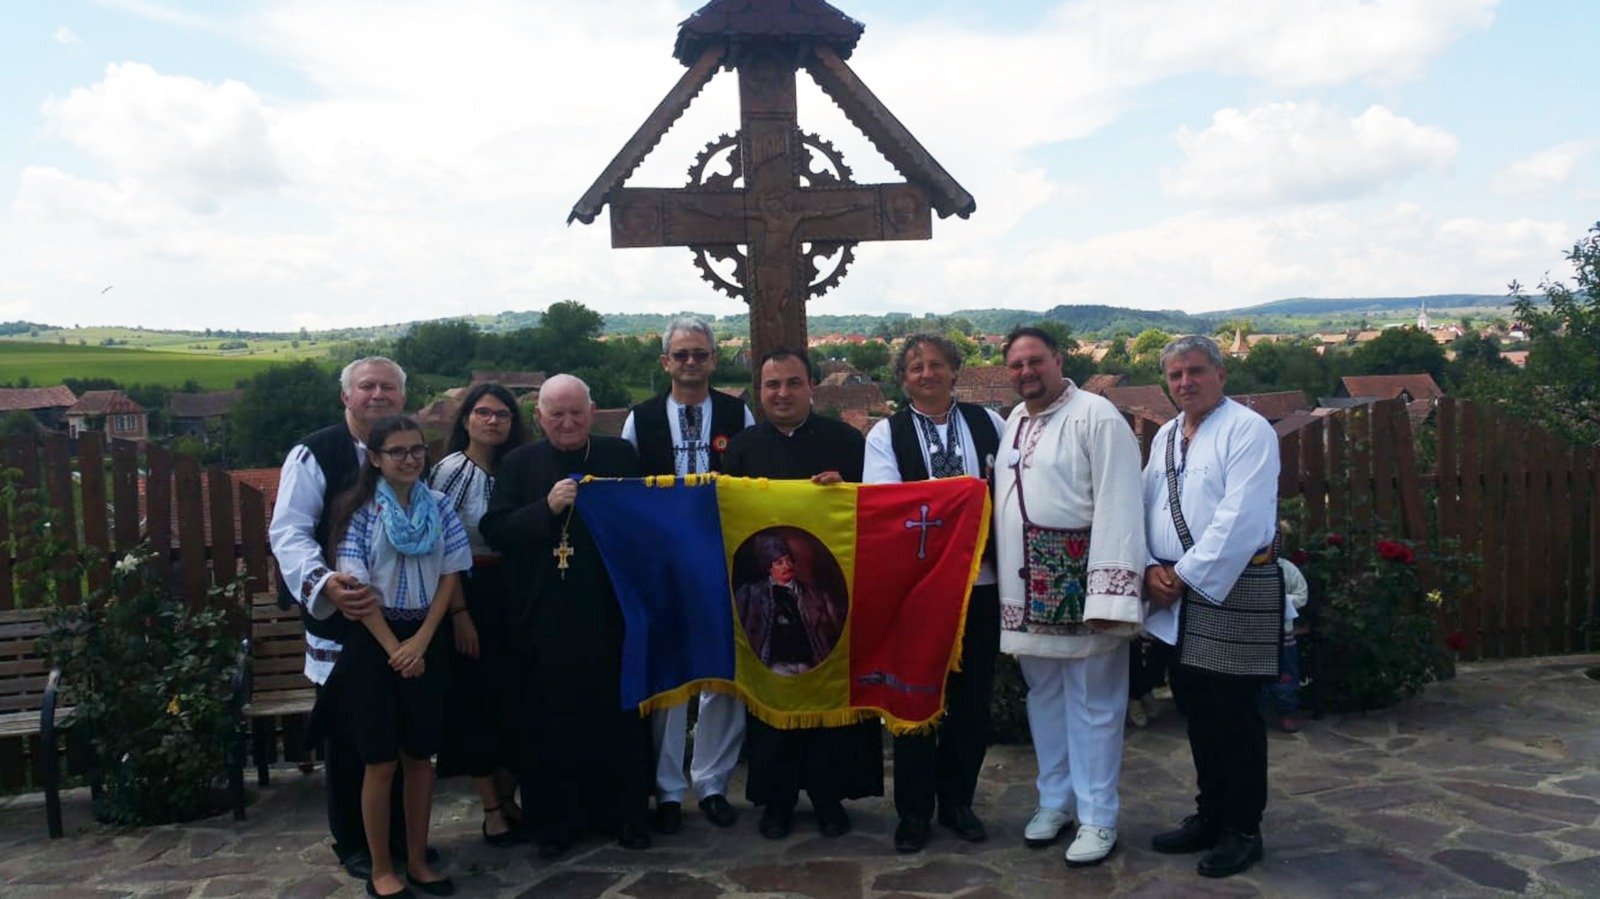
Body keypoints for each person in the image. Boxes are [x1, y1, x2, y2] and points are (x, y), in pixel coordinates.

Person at [478, 374, 653, 858]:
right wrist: (547, 508)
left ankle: (626, 815)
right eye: (557, 414)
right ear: (539, 418)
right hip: (544, 616)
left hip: (609, 610)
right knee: (550, 725)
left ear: (592, 412)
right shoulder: (518, 464)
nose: (568, 422)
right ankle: (555, 823)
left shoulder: (618, 457)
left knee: (617, 720)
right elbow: (497, 529)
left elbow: (643, 520)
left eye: (577, 412)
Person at [269, 356, 428, 881]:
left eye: (388, 387)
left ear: (402, 398)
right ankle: (356, 844)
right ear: (346, 396)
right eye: (366, 387)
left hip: (406, 623)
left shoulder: (411, 449)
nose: (377, 395)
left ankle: (403, 842)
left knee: (402, 735)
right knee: (354, 739)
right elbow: (289, 530)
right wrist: (324, 582)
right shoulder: (316, 453)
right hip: (346, 618)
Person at [993, 327, 1147, 868]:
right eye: (1016, 365)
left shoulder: (1097, 418)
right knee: (1045, 696)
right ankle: (1055, 801)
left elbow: (1121, 504)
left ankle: (1098, 817)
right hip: (1028, 587)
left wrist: (1111, 594)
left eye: (1035, 361)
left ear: (1060, 359)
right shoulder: (1014, 421)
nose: (1026, 372)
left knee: (1096, 704)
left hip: (1082, 587)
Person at [720, 347, 884, 840]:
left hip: (827, 603)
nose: (783, 393)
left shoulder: (845, 441)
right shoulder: (743, 448)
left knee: (830, 700)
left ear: (812, 386)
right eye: (773, 385)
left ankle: (830, 798)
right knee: (773, 698)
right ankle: (777, 801)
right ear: (761, 392)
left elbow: (870, 507)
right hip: (766, 607)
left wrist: (846, 490)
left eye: (793, 383)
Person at [1142, 334, 1282, 879]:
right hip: (1175, 590)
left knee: (1235, 716)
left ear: (1221, 375)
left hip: (1232, 585)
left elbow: (1241, 517)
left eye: (1196, 371)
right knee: (1195, 707)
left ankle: (1243, 829)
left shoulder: (1249, 431)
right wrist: (1150, 563)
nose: (1185, 383)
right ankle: (1210, 814)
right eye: (1176, 375)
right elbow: (1148, 501)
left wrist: (1182, 573)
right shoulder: (1168, 437)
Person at [862, 333, 1005, 853]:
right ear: (903, 378)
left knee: (972, 700)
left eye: (937, 365)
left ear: (954, 371)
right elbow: (889, 501)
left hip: (982, 585)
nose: (928, 374)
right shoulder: (886, 433)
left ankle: (959, 801)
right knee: (916, 696)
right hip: (918, 590)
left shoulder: (991, 423)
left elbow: (1009, 493)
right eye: (917, 367)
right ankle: (915, 810)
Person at [327, 415, 471, 898]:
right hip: (376, 642)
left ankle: (417, 859)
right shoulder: (359, 512)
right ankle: (382, 869)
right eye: (397, 451)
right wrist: (396, 649)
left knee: (419, 758)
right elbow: (356, 587)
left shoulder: (442, 506)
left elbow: (452, 573)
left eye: (416, 450)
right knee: (381, 761)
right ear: (375, 458)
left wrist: (422, 641)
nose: (410, 459)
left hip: (425, 640)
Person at [620, 316, 754, 834]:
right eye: (682, 355)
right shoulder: (641, 418)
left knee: (723, 673)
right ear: (665, 362)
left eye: (700, 353)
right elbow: (628, 491)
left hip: (724, 553)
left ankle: (714, 782)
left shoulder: (736, 411)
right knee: (672, 675)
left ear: (714, 359)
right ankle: (670, 788)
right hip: (664, 560)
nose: (691, 363)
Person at [427, 383, 529, 846]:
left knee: (514, 699)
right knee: (479, 701)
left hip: (514, 590)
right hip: (468, 591)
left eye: (502, 414)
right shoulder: (449, 472)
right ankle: (491, 807)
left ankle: (510, 798)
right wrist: (459, 613)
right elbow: (440, 547)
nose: (493, 421)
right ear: (466, 418)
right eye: (483, 413)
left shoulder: (519, 467)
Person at [734, 532, 846, 674]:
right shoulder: (750, 595)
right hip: (772, 666)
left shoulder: (815, 596)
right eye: (779, 562)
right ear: (769, 568)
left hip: (810, 665)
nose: (786, 566)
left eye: (789, 560)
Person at [1262, 556, 1309, 732]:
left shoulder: (1287, 568)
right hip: (1254, 633)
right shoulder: (1243, 566)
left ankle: (1287, 711)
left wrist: (1281, 599)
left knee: (1285, 674)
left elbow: (1302, 595)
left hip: (1282, 634)